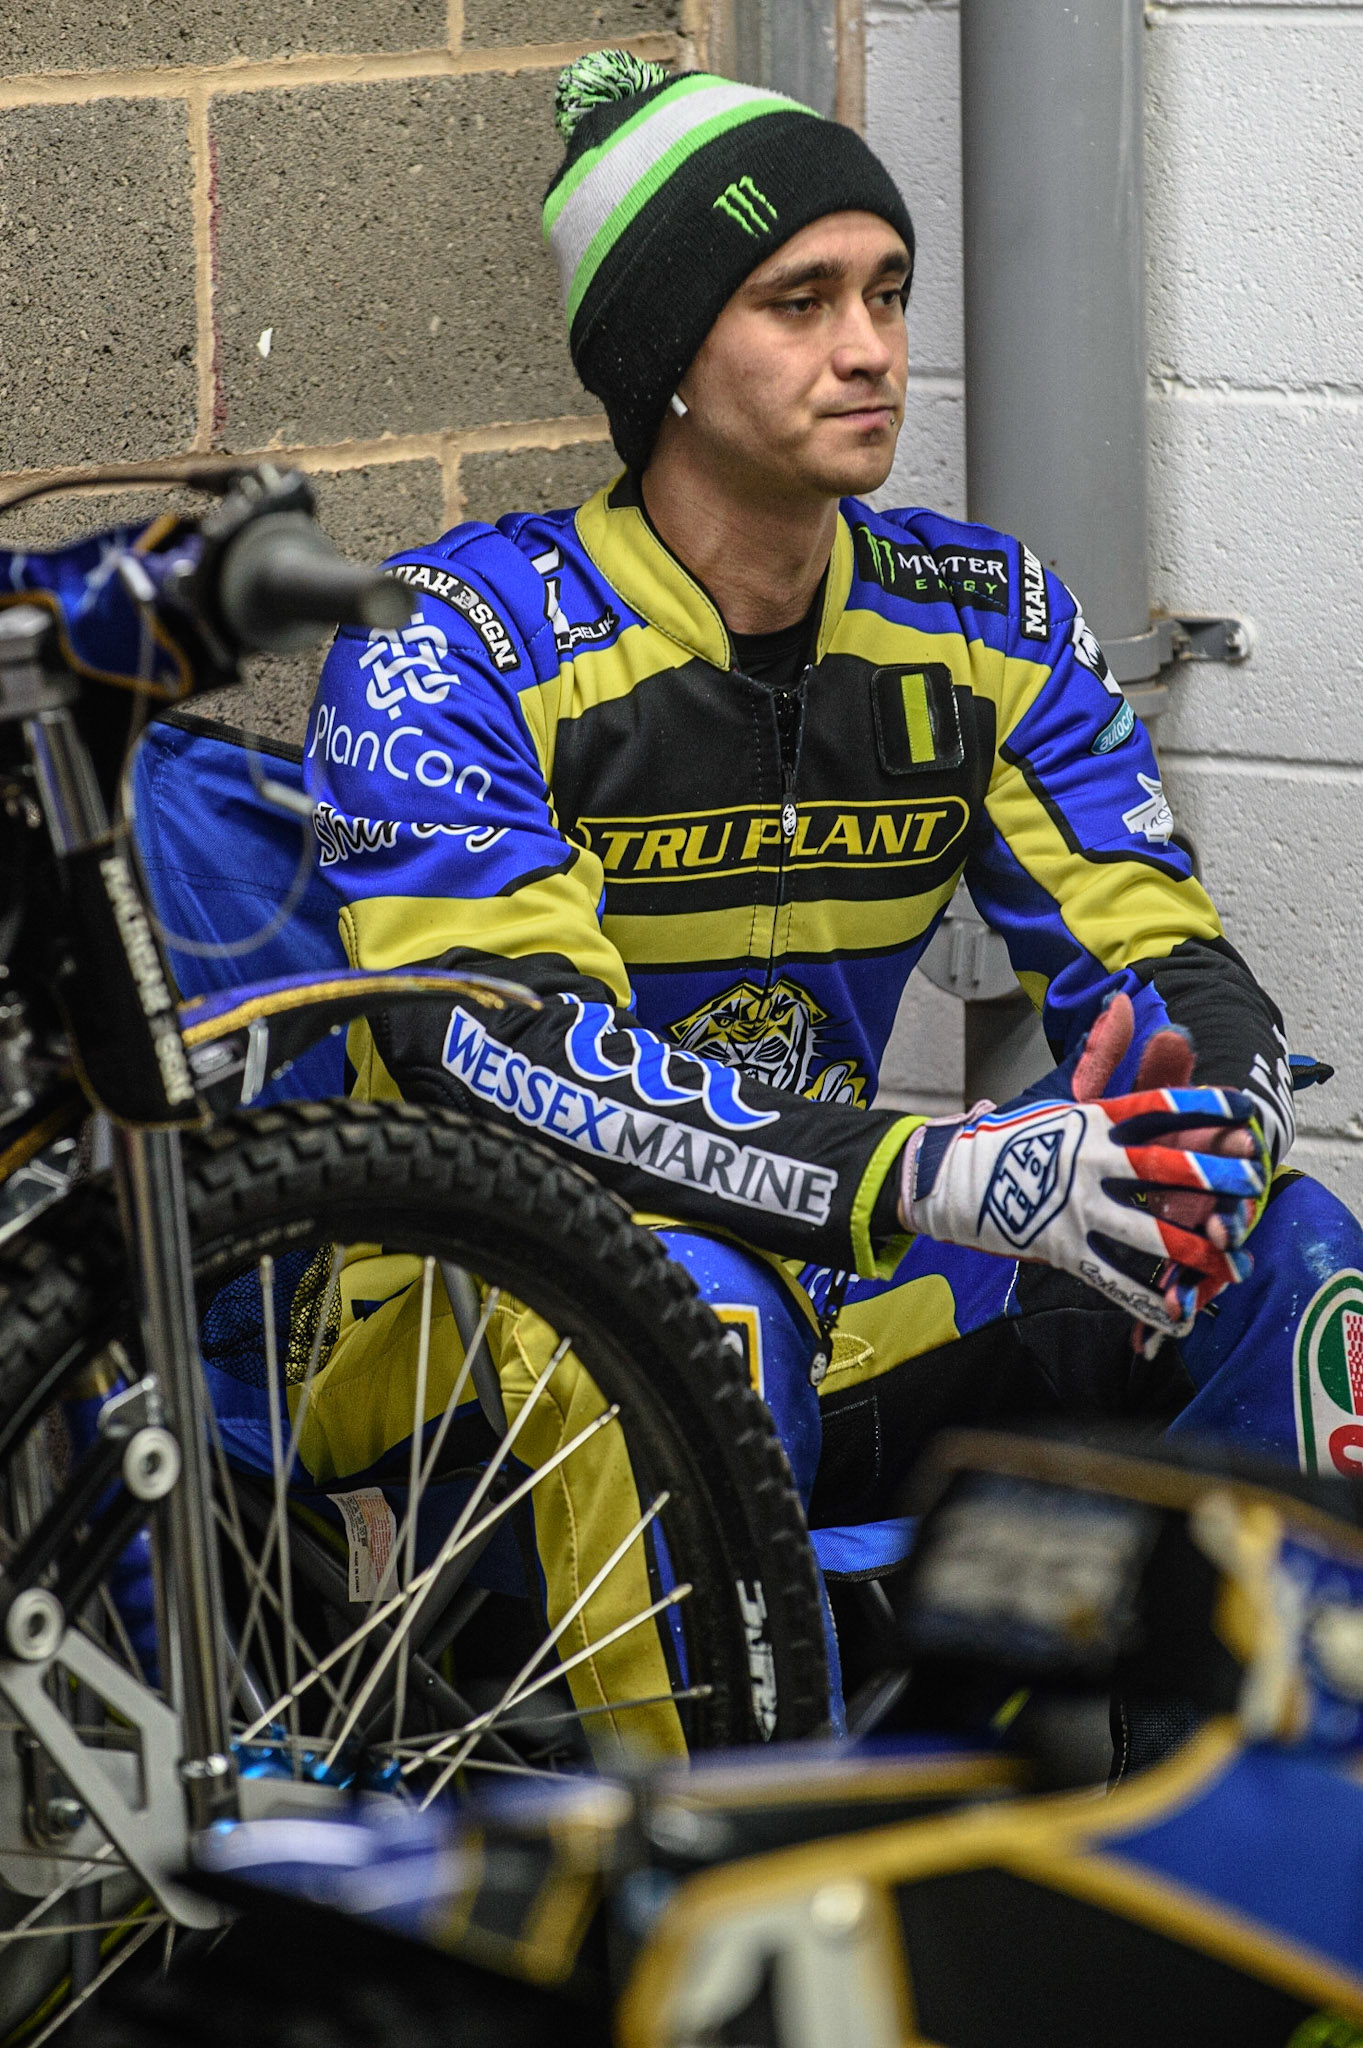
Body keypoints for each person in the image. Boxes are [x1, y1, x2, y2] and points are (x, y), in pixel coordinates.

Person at [304, 50, 1363, 1743]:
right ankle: (736, 1930)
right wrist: (937, 1169)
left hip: (843, 1274)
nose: (869, 348)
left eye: (884, 290)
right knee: (685, 1305)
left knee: (1290, 1251)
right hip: (484, 1308)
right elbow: (495, 1061)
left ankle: (1251, 1895)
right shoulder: (453, 636)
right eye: (798, 301)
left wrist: (1198, 1122)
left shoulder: (984, 611)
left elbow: (1156, 947)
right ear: (666, 361)